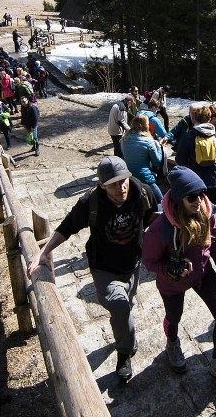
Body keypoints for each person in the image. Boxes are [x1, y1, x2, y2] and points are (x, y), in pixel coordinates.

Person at [27, 157, 159, 382]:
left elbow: (153, 218)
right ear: (102, 185)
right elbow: (67, 227)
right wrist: (43, 251)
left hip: (132, 263)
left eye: (124, 180)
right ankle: (124, 352)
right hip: (104, 267)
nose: (121, 187)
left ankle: (124, 330)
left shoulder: (143, 192)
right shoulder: (91, 202)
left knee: (127, 303)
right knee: (119, 304)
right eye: (114, 183)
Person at [142, 166, 216, 376]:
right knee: (174, 317)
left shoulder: (209, 215)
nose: (198, 201)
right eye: (191, 197)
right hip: (172, 283)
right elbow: (148, 260)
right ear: (179, 200)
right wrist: (168, 268)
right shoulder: (160, 228)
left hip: (202, 274)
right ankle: (172, 343)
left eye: (201, 194)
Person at [175, 104, 216, 205]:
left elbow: (180, 160)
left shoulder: (189, 137)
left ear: (194, 119)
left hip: (194, 182)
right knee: (212, 211)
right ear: (209, 119)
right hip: (214, 181)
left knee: (196, 213)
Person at [120, 114, 165, 203]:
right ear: (145, 125)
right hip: (144, 177)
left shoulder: (124, 139)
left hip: (129, 176)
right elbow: (157, 162)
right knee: (162, 201)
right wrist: (159, 147)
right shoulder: (148, 141)